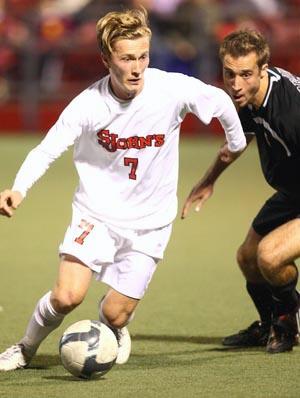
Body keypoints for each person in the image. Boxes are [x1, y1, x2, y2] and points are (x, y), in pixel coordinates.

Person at [0, 7, 246, 372]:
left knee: (116, 314)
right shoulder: (88, 104)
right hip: (96, 214)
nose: (136, 67)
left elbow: (221, 101)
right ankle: (24, 348)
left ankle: (115, 325)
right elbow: (47, 149)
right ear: (106, 59)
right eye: (127, 58)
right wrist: (18, 189)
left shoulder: (171, 89)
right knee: (67, 297)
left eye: (143, 56)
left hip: (151, 223)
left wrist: (235, 145)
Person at [182, 29, 300, 354]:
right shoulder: (248, 94)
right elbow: (237, 140)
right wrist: (209, 180)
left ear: (263, 69)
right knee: (248, 258)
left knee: (270, 256)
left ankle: (288, 324)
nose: (235, 84)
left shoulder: (291, 112)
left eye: (245, 74)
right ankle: (269, 325)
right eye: (229, 74)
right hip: (293, 191)